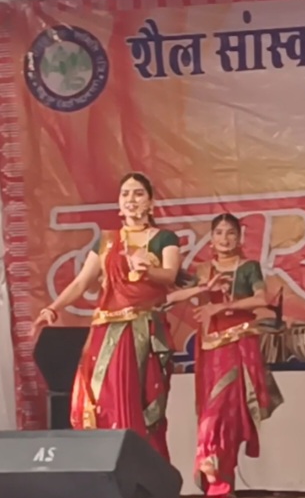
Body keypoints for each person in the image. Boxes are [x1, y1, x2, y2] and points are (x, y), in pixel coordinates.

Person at [33, 172, 180, 460]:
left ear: (150, 203)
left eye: (138, 193)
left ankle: (139, 465)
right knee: (102, 396)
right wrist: (52, 308)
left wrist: (147, 269)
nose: (131, 199)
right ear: (119, 203)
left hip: (141, 331)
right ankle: (106, 461)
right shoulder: (107, 240)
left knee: (135, 398)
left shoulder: (164, 238)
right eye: (125, 194)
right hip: (104, 333)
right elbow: (81, 282)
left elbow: (170, 274)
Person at [166, 213, 283, 497]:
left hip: (239, 346)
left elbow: (260, 299)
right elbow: (169, 298)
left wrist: (221, 307)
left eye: (230, 233)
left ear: (239, 238)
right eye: (219, 232)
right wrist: (202, 289)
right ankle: (220, 482)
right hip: (210, 349)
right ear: (211, 238)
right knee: (212, 408)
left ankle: (213, 464)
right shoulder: (204, 270)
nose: (225, 238)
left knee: (227, 412)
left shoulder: (248, 268)